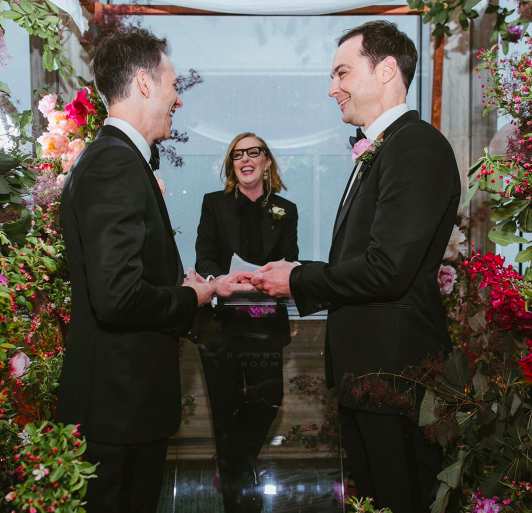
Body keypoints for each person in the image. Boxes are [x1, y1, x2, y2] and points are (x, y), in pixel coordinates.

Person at [251, 21, 461, 513]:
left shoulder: (415, 146)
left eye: (342, 72)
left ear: (387, 69)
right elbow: (366, 259)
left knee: (403, 498)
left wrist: (298, 279)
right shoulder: (380, 150)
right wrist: (296, 267)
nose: (332, 88)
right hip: (370, 379)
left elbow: (387, 269)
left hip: (396, 379)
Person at [55, 27, 251, 513]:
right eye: (172, 84)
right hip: (119, 414)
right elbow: (118, 297)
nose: (177, 99)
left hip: (122, 410)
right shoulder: (114, 166)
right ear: (144, 83)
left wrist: (185, 283)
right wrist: (193, 299)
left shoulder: (115, 160)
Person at [194, 132, 298, 512]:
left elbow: (290, 260)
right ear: (232, 165)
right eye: (238, 154)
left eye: (253, 152)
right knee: (225, 412)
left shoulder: (286, 209)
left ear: (266, 162)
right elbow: (204, 255)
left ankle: (235, 466)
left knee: (269, 401)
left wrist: (264, 277)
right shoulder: (213, 204)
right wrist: (220, 280)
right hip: (219, 325)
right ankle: (239, 503)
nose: (245, 159)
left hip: (264, 322)